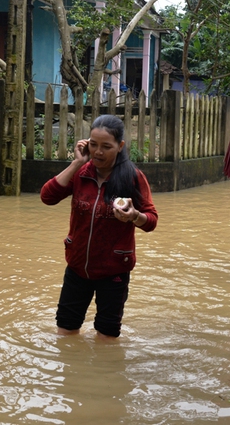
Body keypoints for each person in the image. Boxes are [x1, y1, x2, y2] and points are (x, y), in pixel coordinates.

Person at [40, 114, 158, 339]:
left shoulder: (133, 178)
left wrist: (134, 216)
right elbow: (47, 197)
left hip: (114, 271)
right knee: (66, 329)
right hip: (77, 267)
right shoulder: (81, 173)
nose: (98, 152)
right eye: (93, 145)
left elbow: (151, 220)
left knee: (107, 334)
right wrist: (76, 163)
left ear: (120, 146)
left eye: (106, 146)